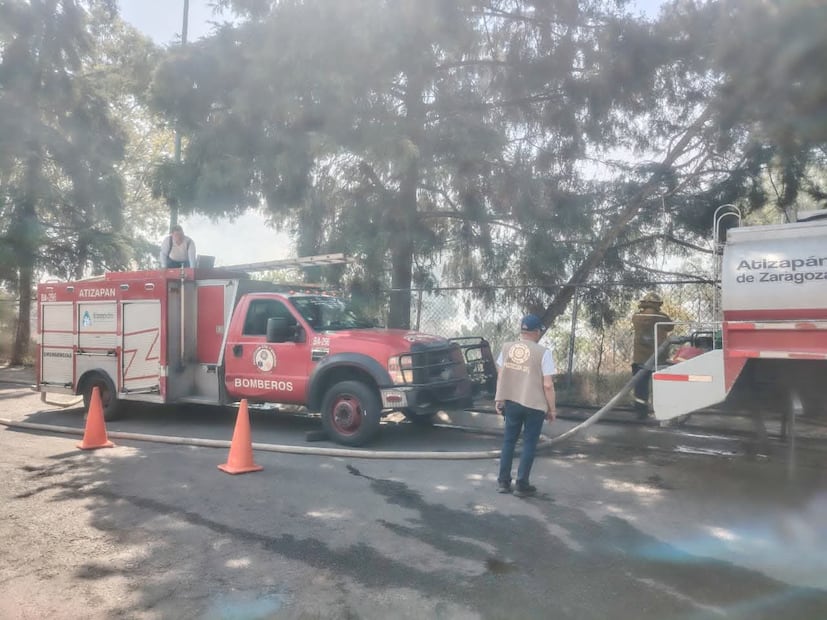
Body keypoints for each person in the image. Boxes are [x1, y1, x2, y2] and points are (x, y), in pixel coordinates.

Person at [494, 314, 557, 497]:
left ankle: (503, 483)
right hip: (534, 405)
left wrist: (499, 399)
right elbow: (548, 385)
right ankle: (522, 484)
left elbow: (501, 376)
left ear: (522, 331)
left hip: (512, 402)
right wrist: (552, 409)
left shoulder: (506, 348)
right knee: (529, 443)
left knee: (509, 441)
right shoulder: (543, 352)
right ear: (537, 332)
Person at [631, 292, 673, 418]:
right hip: (658, 358)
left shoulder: (636, 317)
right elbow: (671, 326)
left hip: (640, 359)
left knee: (640, 388)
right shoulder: (662, 317)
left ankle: (640, 413)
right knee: (661, 386)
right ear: (657, 304)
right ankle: (663, 411)